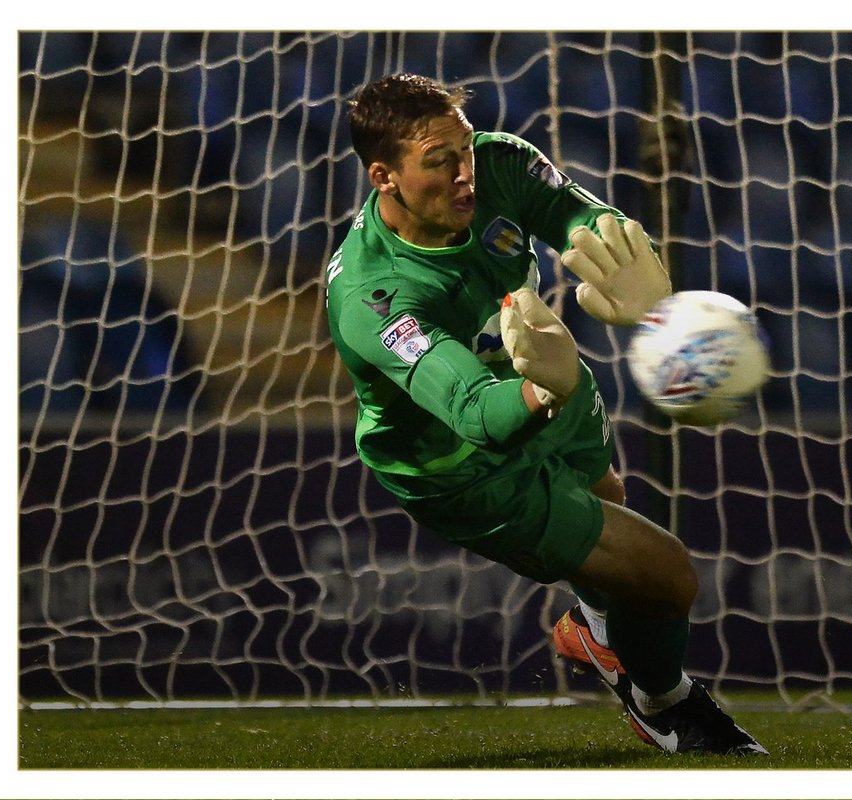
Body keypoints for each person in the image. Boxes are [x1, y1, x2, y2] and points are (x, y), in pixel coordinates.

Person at [325, 73, 765, 755]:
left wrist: (626, 259)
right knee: (667, 576)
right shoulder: (374, 300)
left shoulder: (499, 162)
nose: (466, 174)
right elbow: (476, 415)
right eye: (441, 162)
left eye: (465, 150)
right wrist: (544, 392)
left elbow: (577, 217)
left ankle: (594, 630)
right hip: (460, 465)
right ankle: (664, 703)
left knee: (608, 497)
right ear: (384, 176)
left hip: (537, 372)